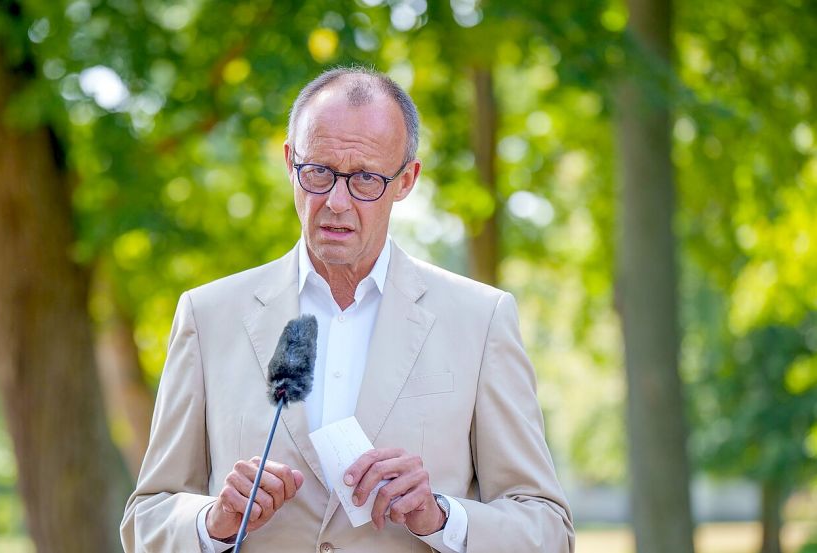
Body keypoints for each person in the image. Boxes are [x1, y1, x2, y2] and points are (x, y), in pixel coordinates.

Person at [120, 67, 574, 553]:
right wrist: (212, 521)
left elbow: (547, 530)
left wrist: (441, 516)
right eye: (318, 172)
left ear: (406, 180)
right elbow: (147, 518)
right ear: (290, 160)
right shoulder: (207, 316)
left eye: (364, 179)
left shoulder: (481, 320)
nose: (336, 202)